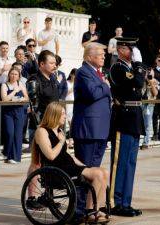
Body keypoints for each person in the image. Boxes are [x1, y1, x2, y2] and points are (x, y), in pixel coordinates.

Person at [31, 102, 110, 223]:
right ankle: (89, 212)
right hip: (57, 170)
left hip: (68, 166)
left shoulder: (60, 131)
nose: (65, 116)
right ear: (54, 115)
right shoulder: (42, 131)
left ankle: (96, 209)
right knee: (98, 174)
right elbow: (50, 156)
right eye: (62, 114)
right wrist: (61, 142)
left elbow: (68, 156)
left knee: (103, 172)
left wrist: (84, 166)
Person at [71, 42, 111, 220]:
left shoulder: (96, 72)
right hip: (88, 130)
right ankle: (79, 210)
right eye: (101, 54)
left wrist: (103, 83)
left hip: (99, 129)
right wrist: (105, 85)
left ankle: (92, 208)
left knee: (95, 173)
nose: (104, 56)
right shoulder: (83, 72)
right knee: (85, 172)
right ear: (89, 56)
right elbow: (93, 93)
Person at [108, 37, 145, 217]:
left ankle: (126, 202)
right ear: (121, 49)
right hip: (123, 119)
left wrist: (137, 68)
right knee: (119, 163)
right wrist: (139, 64)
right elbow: (137, 83)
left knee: (130, 163)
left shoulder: (130, 68)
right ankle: (115, 202)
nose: (133, 51)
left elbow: (139, 89)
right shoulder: (117, 68)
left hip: (134, 118)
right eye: (130, 48)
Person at [25, 50, 59, 209]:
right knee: (37, 163)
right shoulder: (34, 80)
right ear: (41, 64)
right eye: (51, 63)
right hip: (39, 127)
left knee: (51, 162)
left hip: (54, 126)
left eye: (55, 63)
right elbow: (35, 106)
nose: (54, 65)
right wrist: (42, 129)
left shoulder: (53, 79)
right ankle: (31, 197)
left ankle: (48, 195)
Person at [1, 67, 29, 163]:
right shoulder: (4, 85)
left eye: (16, 74)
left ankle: (15, 157)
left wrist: (22, 99)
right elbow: (4, 99)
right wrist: (15, 91)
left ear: (18, 76)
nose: (13, 76)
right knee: (10, 133)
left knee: (18, 134)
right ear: (9, 74)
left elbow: (26, 97)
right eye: (12, 74)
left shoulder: (21, 84)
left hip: (19, 110)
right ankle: (7, 153)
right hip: (8, 112)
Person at [141, 69, 158, 149]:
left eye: (151, 74)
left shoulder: (155, 82)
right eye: (148, 74)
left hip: (149, 105)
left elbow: (155, 94)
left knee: (147, 124)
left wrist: (151, 83)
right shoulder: (141, 81)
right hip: (140, 104)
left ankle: (146, 142)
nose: (149, 76)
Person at [65, 68, 76, 148]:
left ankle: (71, 140)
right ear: (71, 74)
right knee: (69, 122)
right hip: (67, 104)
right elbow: (64, 93)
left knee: (73, 123)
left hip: (75, 105)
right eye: (74, 75)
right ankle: (70, 141)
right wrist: (72, 89)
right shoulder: (67, 83)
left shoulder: (78, 83)